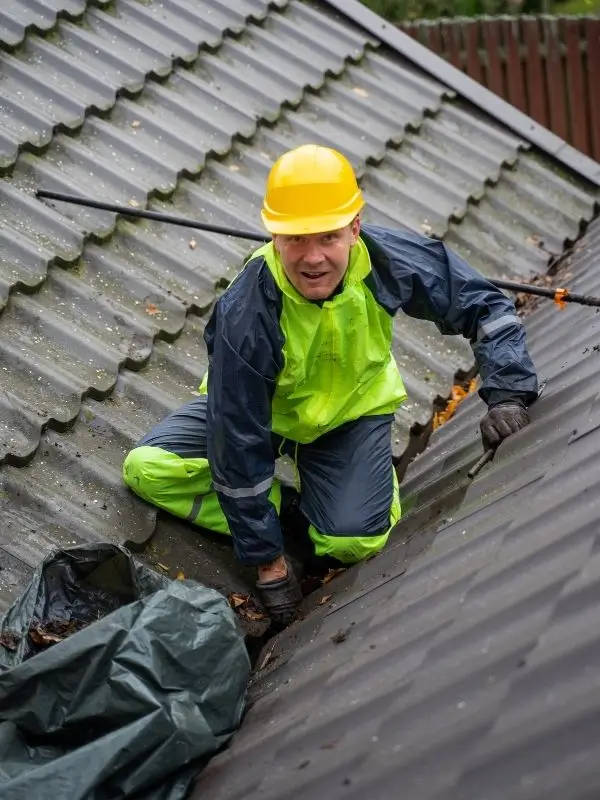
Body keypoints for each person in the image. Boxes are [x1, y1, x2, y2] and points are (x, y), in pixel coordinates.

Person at [122, 144, 538, 626]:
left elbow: (483, 304)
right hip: (265, 417)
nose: (313, 257)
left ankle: (343, 496)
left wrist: (507, 390)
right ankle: (284, 520)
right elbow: (237, 435)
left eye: (328, 237)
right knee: (149, 468)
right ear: (274, 235)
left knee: (352, 540)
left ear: (355, 229)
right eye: (296, 239)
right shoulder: (248, 310)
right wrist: (268, 563)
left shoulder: (385, 261)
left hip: (348, 416)